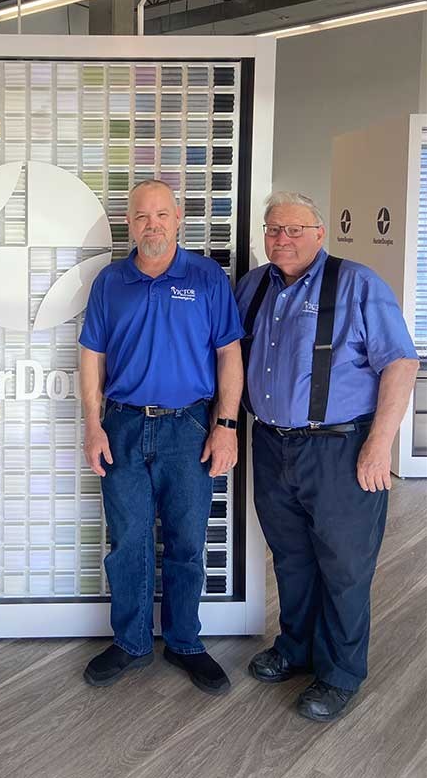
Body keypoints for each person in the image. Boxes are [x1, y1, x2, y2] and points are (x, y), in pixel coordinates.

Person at [236, 191, 419, 722]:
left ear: (320, 233)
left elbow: (401, 365)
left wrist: (379, 445)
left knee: (344, 566)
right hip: (271, 445)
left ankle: (340, 674)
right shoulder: (252, 287)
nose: (282, 239)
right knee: (291, 560)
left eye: (294, 229)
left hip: (343, 448)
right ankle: (296, 648)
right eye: (273, 230)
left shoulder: (358, 284)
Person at [79, 179, 244, 694]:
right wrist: (91, 424)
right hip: (123, 424)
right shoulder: (110, 282)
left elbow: (228, 355)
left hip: (190, 426)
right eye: (141, 217)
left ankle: (184, 641)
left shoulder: (207, 278)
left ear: (179, 219)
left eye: (161, 215)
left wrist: (227, 425)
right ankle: (130, 642)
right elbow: (91, 358)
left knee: (187, 541)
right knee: (126, 542)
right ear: (130, 224)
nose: (152, 225)